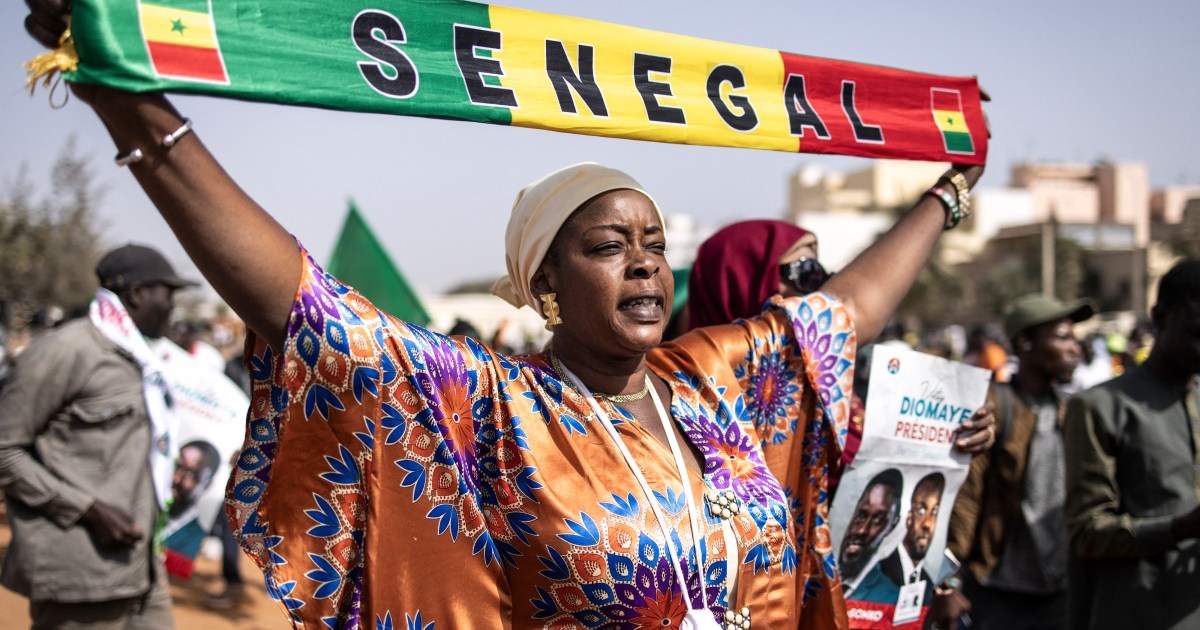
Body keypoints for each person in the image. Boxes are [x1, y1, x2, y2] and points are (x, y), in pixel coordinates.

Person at [22, 4, 986, 627]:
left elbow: (846, 310)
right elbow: (302, 302)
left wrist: (949, 193)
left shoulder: (714, 385)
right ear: (547, 285)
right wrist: (133, 109)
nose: (644, 260)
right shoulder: (487, 407)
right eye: (608, 245)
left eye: (652, 240)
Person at [685, 219, 996, 489]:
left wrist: (955, 434)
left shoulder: (825, 378)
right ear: (738, 279)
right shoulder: (689, 400)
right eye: (805, 271)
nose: (818, 290)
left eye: (823, 273)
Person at [0, 243, 193, 628]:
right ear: (137, 293)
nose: (173, 307)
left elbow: (112, 448)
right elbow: (5, 450)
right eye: (167, 294)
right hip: (82, 573)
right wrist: (87, 508)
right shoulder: (66, 351)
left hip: (142, 567)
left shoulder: (142, 358)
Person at [931, 293, 1095, 630]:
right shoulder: (992, 408)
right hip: (997, 590)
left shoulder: (1071, 410)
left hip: (1059, 591)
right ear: (1025, 343)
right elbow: (964, 500)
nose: (1075, 349)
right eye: (1062, 337)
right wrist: (947, 583)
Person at [1063, 258, 1200, 630]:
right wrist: (1178, 528)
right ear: (1159, 317)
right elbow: (1086, 532)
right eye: (1195, 331)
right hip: (1135, 612)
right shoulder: (1099, 408)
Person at [854, 473, 945, 607]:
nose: (927, 524)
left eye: (935, 512)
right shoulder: (879, 568)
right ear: (908, 517)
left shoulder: (929, 581)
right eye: (921, 510)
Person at [839, 469, 905, 590]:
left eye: (878, 520)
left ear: (892, 526)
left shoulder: (888, 594)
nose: (862, 530)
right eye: (861, 515)